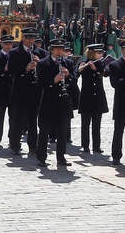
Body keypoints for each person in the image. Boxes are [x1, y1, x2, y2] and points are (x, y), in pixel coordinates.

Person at [35, 39, 74, 167]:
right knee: (44, 131)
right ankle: (41, 157)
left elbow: (74, 80)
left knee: (62, 132)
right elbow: (40, 82)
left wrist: (68, 76)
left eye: (61, 49)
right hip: (48, 101)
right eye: (57, 49)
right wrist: (53, 80)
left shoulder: (67, 62)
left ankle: (61, 157)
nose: (59, 51)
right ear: (51, 49)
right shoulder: (43, 63)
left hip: (63, 101)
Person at [7, 28, 40, 156]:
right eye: (28, 38)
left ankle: (33, 146)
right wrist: (25, 69)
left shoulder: (38, 52)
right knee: (17, 119)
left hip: (34, 91)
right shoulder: (15, 52)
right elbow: (11, 70)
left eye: (32, 38)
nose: (31, 41)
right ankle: (15, 144)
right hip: (20, 90)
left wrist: (39, 64)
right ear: (23, 38)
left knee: (33, 121)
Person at [77, 44, 109, 154]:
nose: (101, 55)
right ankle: (85, 145)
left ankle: (96, 146)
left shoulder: (101, 63)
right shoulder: (84, 62)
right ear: (92, 53)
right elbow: (78, 71)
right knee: (85, 123)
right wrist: (85, 66)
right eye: (98, 53)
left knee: (97, 124)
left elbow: (105, 73)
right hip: (87, 96)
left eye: (101, 53)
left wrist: (96, 69)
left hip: (98, 96)